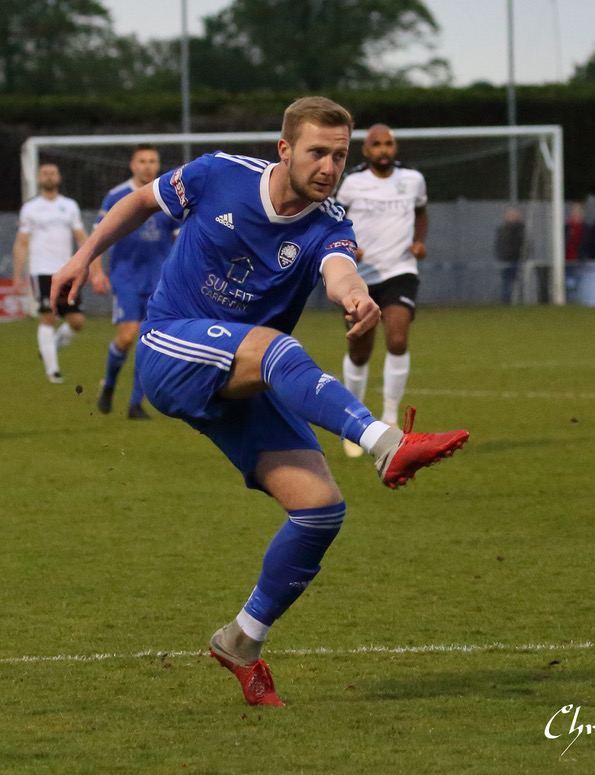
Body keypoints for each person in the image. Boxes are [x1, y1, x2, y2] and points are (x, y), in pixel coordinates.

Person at [51, 96, 470, 707]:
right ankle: (385, 443)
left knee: (321, 510)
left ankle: (241, 641)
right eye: (317, 152)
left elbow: (340, 271)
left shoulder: (331, 223)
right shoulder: (220, 173)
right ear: (284, 149)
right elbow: (141, 201)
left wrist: (356, 298)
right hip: (171, 346)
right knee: (275, 347)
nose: (329, 166)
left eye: (339, 155)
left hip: (244, 375)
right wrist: (85, 253)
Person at [333, 124, 429, 456]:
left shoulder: (413, 179)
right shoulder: (352, 183)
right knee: (360, 351)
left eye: (389, 143)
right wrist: (346, 246)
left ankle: (389, 418)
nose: (383, 149)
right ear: (366, 149)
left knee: (398, 339)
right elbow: (333, 219)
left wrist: (419, 242)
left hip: (400, 271)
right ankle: (354, 421)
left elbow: (420, 212)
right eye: (377, 144)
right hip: (359, 278)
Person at [91, 145, 179, 419]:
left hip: (159, 280)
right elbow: (98, 237)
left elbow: (180, 239)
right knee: (127, 337)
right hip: (126, 277)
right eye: (142, 161)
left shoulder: (168, 197)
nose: (148, 166)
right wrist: (95, 271)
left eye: (153, 161)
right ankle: (109, 384)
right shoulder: (116, 196)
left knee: (148, 341)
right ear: (132, 165)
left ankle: (135, 404)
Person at [12, 162, 90, 383]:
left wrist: (91, 264)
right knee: (48, 316)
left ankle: (49, 347)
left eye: (52, 173)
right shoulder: (30, 208)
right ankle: (52, 371)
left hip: (66, 270)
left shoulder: (69, 206)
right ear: (38, 179)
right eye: (44, 173)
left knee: (77, 321)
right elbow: (22, 242)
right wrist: (18, 273)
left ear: (58, 177)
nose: (49, 176)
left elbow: (81, 237)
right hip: (42, 271)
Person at [494, 206, 526, 303]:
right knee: (507, 282)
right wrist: (502, 257)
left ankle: (519, 301)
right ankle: (506, 301)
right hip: (507, 260)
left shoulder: (521, 229)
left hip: (518, 259)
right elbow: (502, 244)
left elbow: (526, 243)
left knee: (519, 282)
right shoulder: (504, 229)